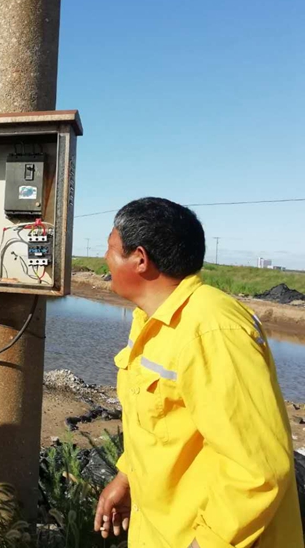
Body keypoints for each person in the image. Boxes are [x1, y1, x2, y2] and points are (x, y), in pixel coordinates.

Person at [94, 197, 302, 547]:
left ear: (140, 259)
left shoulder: (212, 330)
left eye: (111, 249)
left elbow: (258, 470)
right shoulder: (151, 320)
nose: (105, 258)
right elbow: (162, 425)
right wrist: (127, 477)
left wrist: (207, 541)